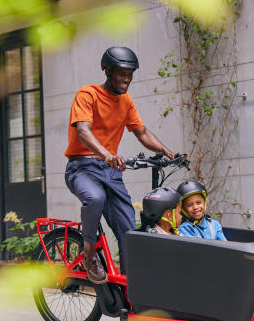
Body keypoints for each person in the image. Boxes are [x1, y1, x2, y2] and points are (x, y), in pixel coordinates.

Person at [65, 46, 177, 284]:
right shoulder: (88, 95)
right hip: (81, 168)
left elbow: (142, 132)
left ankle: (131, 295)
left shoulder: (125, 102)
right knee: (95, 198)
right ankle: (88, 254)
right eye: (121, 72)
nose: (126, 78)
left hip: (110, 172)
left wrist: (166, 151)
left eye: (130, 73)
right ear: (107, 70)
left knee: (129, 232)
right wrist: (106, 153)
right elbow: (83, 131)